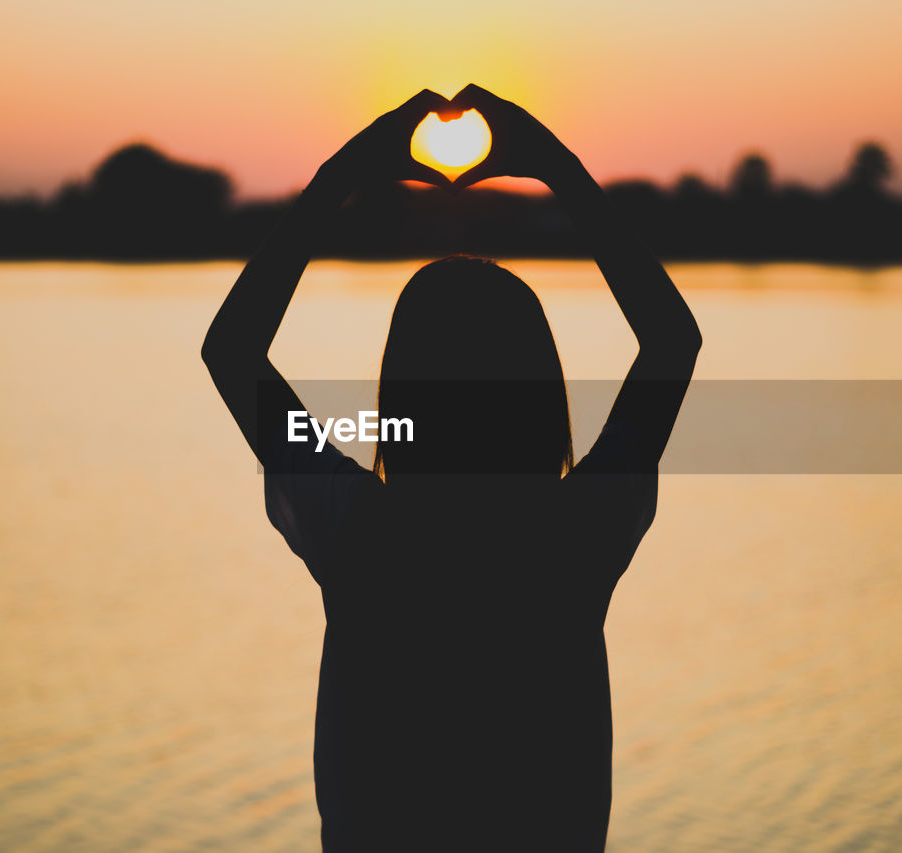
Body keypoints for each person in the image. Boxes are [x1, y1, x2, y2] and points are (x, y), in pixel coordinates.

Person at [202, 85, 702, 852]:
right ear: (540, 393)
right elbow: (671, 341)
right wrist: (554, 165)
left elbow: (232, 349)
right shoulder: (578, 531)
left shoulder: (354, 526)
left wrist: (348, 172)